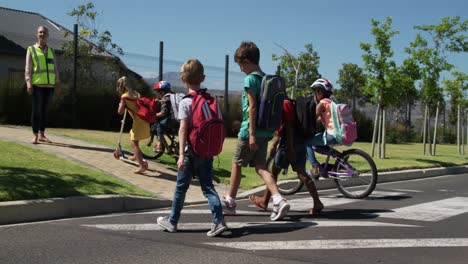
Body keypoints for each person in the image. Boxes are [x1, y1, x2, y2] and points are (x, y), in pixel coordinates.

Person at [157, 59, 227, 237]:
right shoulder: (212, 101)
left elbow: (183, 129)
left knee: (181, 187)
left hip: (190, 151)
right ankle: (218, 220)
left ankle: (172, 221)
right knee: (208, 187)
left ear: (182, 79)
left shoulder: (186, 102)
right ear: (203, 78)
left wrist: (180, 154)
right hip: (207, 151)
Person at [224, 41, 290, 221]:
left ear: (247, 61)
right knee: (260, 167)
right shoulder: (266, 79)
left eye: (240, 64)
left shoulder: (250, 79)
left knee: (237, 163)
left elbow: (252, 108)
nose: (240, 68)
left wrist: (251, 134)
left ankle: (230, 202)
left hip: (249, 132)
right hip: (265, 132)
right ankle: (278, 198)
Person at [249, 99, 324, 215]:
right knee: (302, 174)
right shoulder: (288, 102)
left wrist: (290, 148)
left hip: (288, 144)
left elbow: (288, 127)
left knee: (273, 174)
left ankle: (264, 201)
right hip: (299, 141)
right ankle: (317, 202)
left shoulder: (284, 103)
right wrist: (275, 144)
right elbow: (283, 127)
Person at [25, 26, 61, 144]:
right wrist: (28, 82)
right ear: (37, 34)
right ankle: (35, 135)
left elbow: (55, 68)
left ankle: (42, 134)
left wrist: (57, 83)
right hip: (37, 86)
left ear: (47, 35)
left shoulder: (51, 51)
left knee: (44, 111)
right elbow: (28, 68)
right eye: (40, 32)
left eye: (44, 32)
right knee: (36, 111)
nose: (42, 34)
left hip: (49, 87)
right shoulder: (31, 49)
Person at [116, 76, 150, 174]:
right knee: (132, 136)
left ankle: (141, 166)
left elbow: (120, 112)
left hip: (139, 121)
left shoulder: (124, 96)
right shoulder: (136, 94)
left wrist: (120, 105)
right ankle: (136, 156)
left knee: (133, 143)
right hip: (143, 119)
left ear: (121, 86)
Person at [306, 78, 339, 178]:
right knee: (317, 146)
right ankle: (339, 157)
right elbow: (321, 119)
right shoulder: (331, 102)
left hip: (332, 134)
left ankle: (315, 169)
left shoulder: (321, 104)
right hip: (339, 134)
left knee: (307, 142)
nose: (314, 95)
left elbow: (312, 119)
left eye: (315, 92)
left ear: (320, 92)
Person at [152, 81, 173, 151]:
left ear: (162, 91)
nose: (158, 93)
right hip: (179, 119)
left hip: (173, 120)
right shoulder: (172, 95)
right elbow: (168, 102)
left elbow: (163, 113)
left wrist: (154, 115)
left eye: (158, 91)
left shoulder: (165, 98)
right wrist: (160, 101)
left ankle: (159, 146)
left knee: (159, 125)